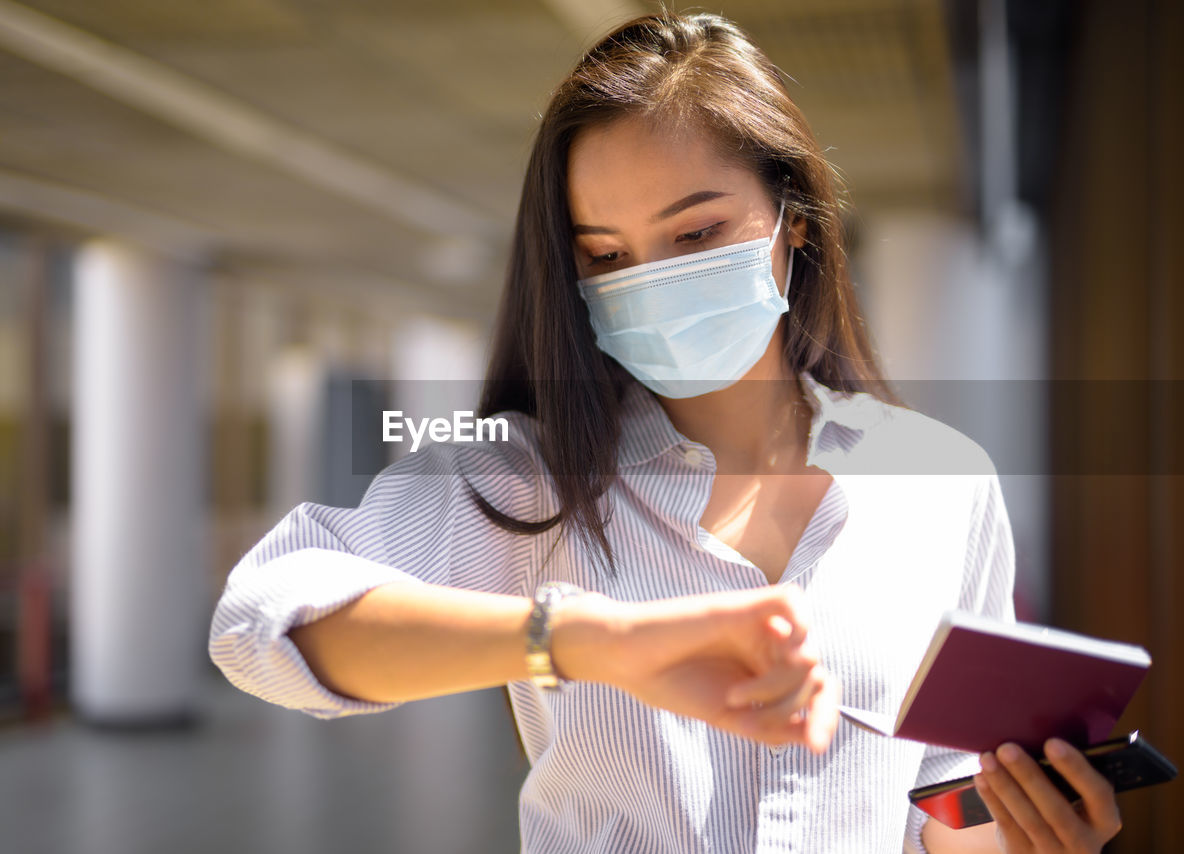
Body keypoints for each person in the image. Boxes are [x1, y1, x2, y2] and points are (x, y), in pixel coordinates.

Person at [209, 10, 1123, 853]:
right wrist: (587, 641)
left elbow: (940, 792)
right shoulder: (530, 477)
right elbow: (261, 625)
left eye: (695, 235)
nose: (649, 280)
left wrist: (1030, 833)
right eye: (606, 255)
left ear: (793, 221)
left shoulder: (941, 480)